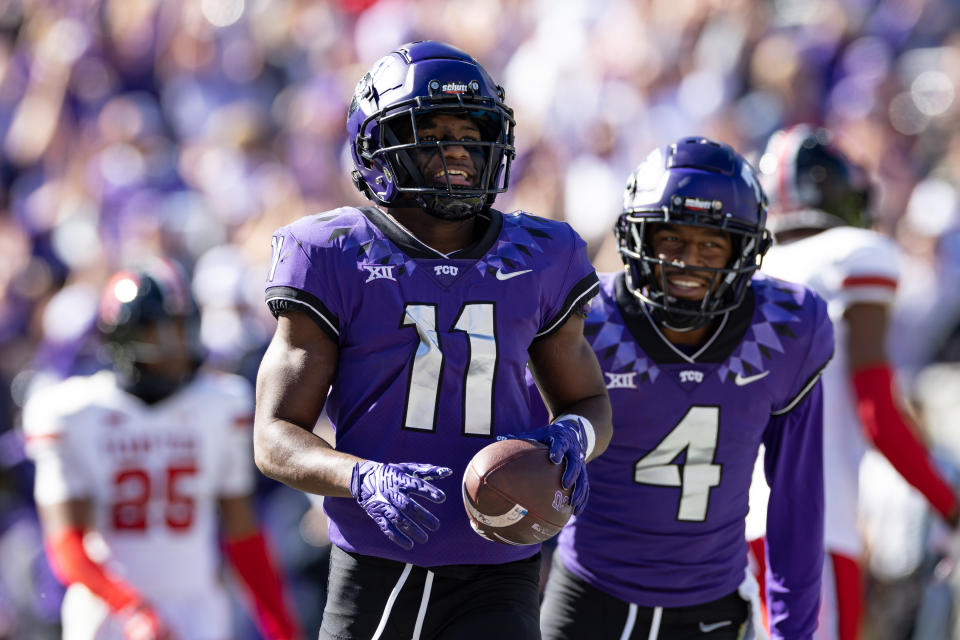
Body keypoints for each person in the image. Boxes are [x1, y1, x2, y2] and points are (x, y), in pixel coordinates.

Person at [253, 40, 613, 640]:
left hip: (505, 563)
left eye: (472, 131)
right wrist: (360, 478)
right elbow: (273, 437)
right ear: (379, 145)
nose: (459, 149)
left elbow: (590, 405)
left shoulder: (544, 254)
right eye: (433, 131)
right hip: (379, 562)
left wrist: (575, 436)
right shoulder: (329, 252)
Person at [537, 137, 834, 640]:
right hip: (587, 598)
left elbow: (798, 502)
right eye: (670, 239)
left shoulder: (789, 329)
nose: (686, 263)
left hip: (709, 609)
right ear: (638, 237)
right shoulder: (583, 319)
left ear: (745, 249)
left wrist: (793, 631)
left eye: (711, 244)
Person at [748, 125, 960, 640]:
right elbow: (876, 412)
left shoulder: (750, 268)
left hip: (730, 519)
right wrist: (948, 505)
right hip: (811, 522)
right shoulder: (852, 253)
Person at [22, 260, 302, 640]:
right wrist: (131, 608)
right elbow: (65, 544)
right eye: (158, 332)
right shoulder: (72, 412)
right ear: (122, 338)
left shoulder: (219, 404)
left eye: (180, 328)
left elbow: (244, 535)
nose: (175, 347)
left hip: (196, 611)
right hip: (108, 612)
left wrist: (281, 627)